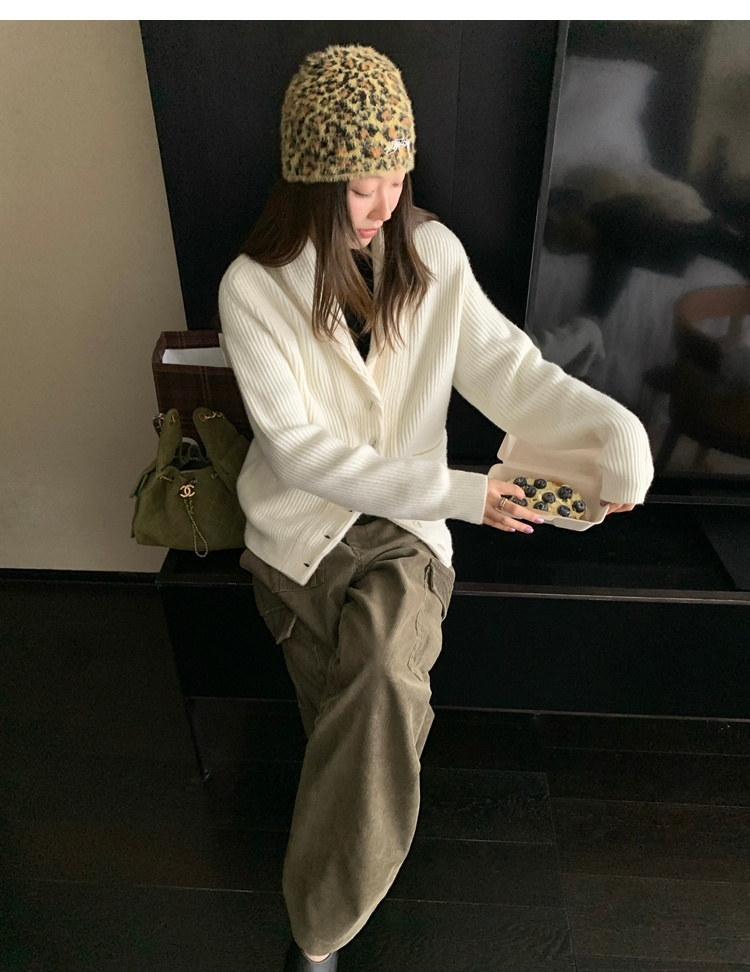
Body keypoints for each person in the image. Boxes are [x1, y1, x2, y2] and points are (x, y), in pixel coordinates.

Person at [218, 44, 654, 972]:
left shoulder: (434, 256)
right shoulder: (251, 288)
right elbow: (298, 453)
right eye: (362, 187)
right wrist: (461, 492)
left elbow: (514, 374)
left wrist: (615, 432)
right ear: (311, 182)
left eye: (397, 179)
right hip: (297, 529)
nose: (386, 204)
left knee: (379, 671)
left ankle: (316, 932)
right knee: (354, 709)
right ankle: (354, 848)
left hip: (405, 530)